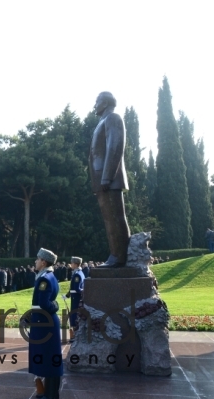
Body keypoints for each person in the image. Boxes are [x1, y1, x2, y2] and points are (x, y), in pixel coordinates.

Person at [89, 91, 131, 268]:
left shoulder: (113, 118)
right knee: (109, 219)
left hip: (108, 179)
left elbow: (115, 146)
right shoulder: (103, 121)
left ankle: (119, 256)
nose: (95, 105)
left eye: (97, 101)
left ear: (105, 103)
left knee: (114, 217)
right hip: (101, 179)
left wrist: (107, 177)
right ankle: (116, 254)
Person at [28, 248, 63, 399]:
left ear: (43, 262)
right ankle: (52, 394)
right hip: (45, 322)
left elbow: (44, 304)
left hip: (44, 323)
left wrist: (55, 305)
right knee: (51, 357)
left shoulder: (44, 279)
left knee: (48, 358)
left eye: (37, 259)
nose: (35, 262)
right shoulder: (49, 276)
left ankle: (49, 397)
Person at [64, 257, 84, 343]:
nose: (70, 264)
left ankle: (75, 336)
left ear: (75, 264)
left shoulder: (77, 274)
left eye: (72, 263)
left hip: (76, 298)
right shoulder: (79, 273)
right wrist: (67, 295)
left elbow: (76, 288)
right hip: (74, 297)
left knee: (74, 315)